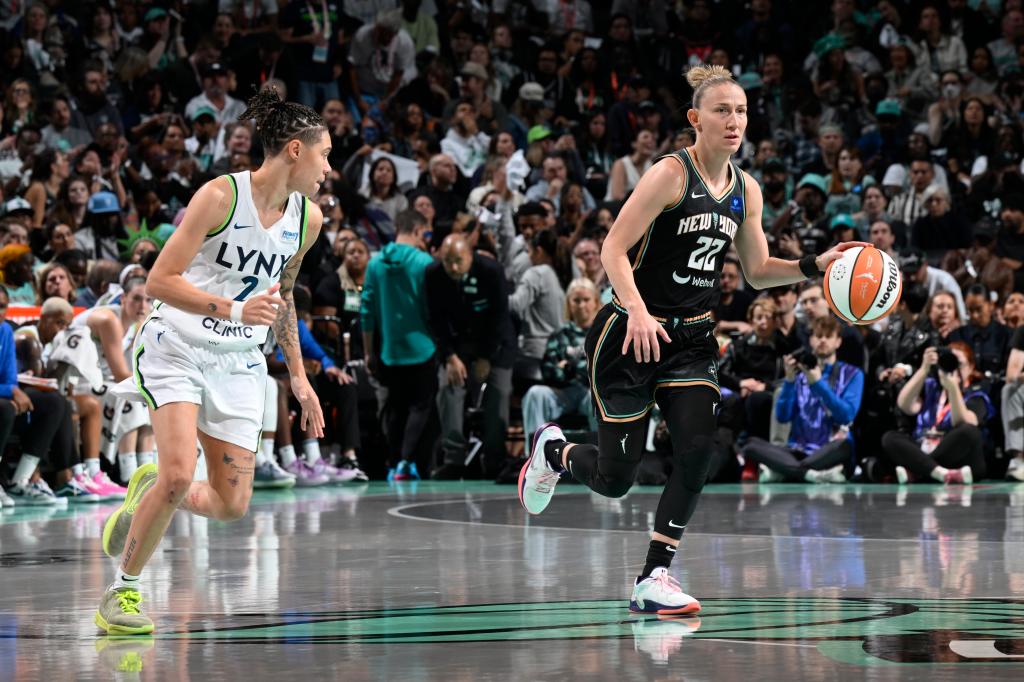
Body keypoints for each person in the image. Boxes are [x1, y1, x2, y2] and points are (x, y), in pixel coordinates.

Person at [517, 65, 864, 615]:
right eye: (722, 111)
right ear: (695, 119)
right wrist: (635, 309)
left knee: (699, 452)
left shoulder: (746, 190)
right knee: (614, 482)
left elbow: (754, 270)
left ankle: (654, 575)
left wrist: (811, 265)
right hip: (629, 335)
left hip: (693, 341)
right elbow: (612, 249)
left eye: (742, 111)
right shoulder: (669, 175)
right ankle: (553, 451)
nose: (734, 121)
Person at [94, 88, 328, 635]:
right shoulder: (220, 197)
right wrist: (233, 307)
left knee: (230, 506)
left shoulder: (307, 220)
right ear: (295, 150)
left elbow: (284, 295)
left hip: (239, 358)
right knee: (179, 476)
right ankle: (121, 593)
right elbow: (157, 281)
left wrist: (297, 376)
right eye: (325, 154)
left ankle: (146, 489)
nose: (328, 168)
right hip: (176, 344)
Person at [742, 315, 864, 483]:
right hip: (799, 449)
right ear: (811, 341)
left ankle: (786, 470)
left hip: (830, 448)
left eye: (828, 337)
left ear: (838, 342)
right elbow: (783, 416)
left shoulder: (852, 374)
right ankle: (808, 474)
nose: (822, 341)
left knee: (844, 446)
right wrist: (790, 381)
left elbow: (846, 415)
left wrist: (818, 384)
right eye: (818, 336)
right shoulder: (799, 375)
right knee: (750, 445)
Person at [361, 209, 436, 481]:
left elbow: (366, 311)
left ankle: (393, 463)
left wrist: (369, 351)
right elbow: (433, 309)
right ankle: (407, 461)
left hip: (389, 350)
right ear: (417, 231)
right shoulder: (424, 262)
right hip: (423, 347)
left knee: (395, 408)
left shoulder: (375, 263)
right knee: (420, 407)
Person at [880, 342, 992, 485]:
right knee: (890, 437)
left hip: (959, 458)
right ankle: (940, 473)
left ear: (970, 367)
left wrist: (952, 388)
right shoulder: (932, 387)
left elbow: (963, 422)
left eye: (960, 364)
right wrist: (924, 368)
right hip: (925, 447)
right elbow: (905, 405)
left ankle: (919, 471)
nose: (955, 369)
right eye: (950, 362)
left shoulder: (976, 393)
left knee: (969, 431)